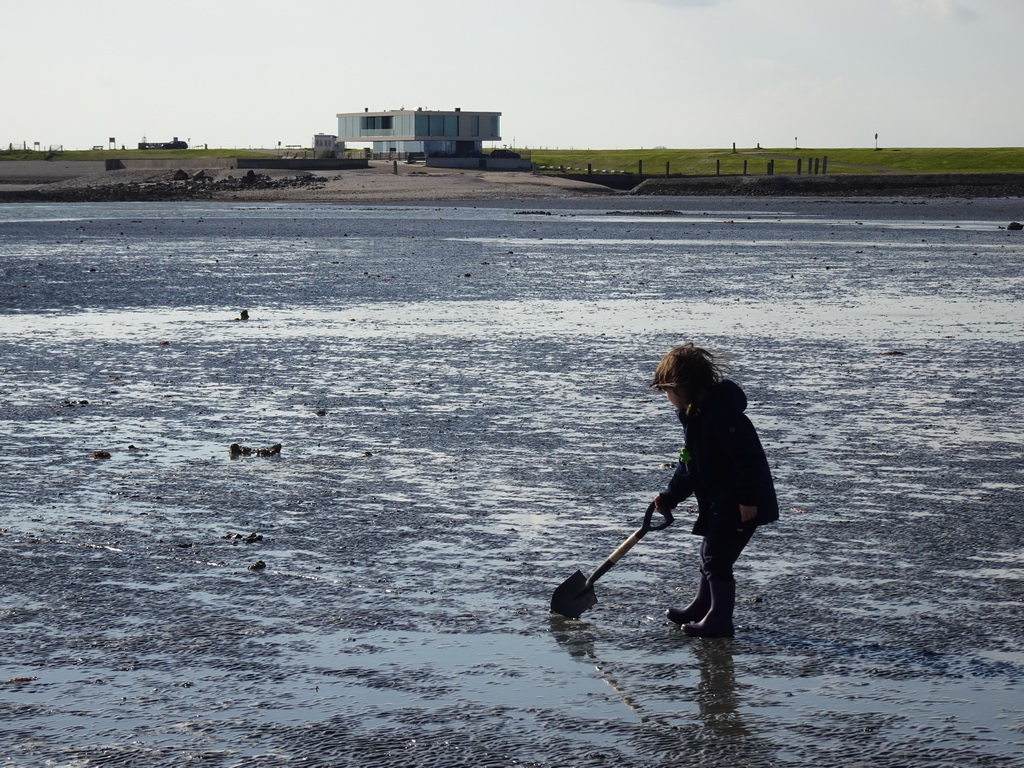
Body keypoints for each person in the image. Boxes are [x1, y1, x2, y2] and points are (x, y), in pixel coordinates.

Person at [650, 343, 778, 638]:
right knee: (710, 554)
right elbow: (688, 466)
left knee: (716, 558)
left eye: (667, 391)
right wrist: (671, 496)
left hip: (740, 502)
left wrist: (748, 499)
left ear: (684, 387)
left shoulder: (723, 418)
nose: (666, 398)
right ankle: (701, 606)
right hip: (720, 501)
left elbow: (749, 460)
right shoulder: (695, 418)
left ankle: (719, 620)